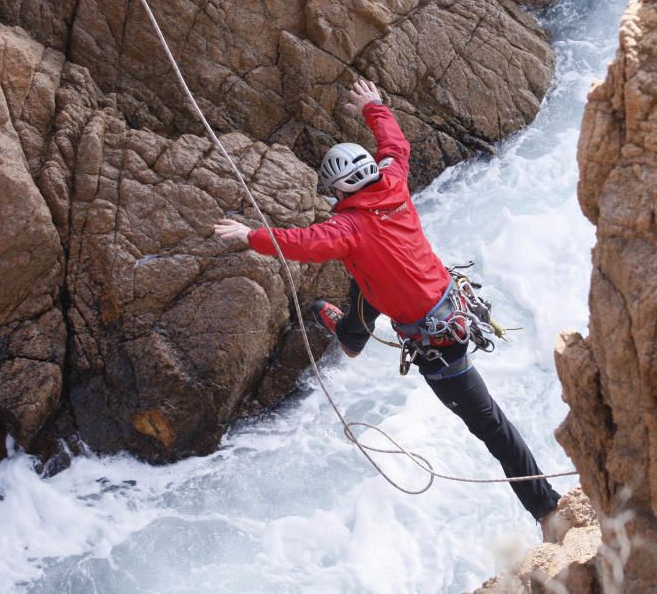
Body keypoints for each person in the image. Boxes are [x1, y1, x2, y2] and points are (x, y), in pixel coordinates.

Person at [214, 80, 561, 539]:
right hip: (442, 303)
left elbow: (300, 244)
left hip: (437, 340)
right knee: (365, 278)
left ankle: (547, 510)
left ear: (338, 189)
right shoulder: (394, 182)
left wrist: (247, 235)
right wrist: (373, 106)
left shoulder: (348, 228)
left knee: (491, 426)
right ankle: (352, 335)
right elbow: (396, 146)